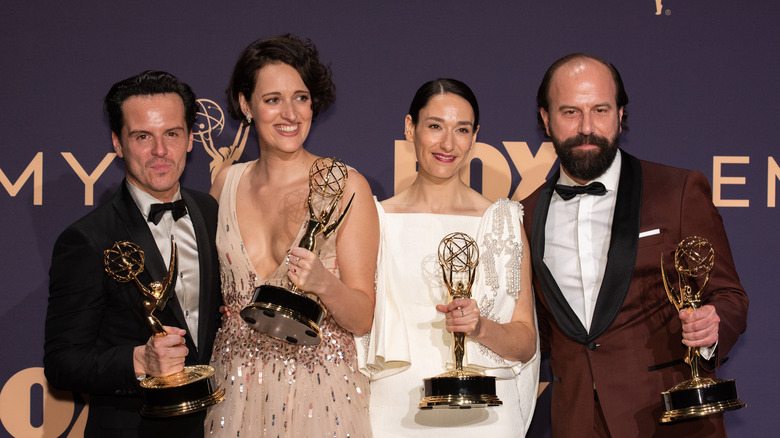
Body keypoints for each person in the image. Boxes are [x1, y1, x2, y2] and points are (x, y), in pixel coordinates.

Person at [522, 53, 749, 437]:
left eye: (600, 110)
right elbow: (535, 327)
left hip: (670, 418)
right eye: (570, 112)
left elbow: (729, 295)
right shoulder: (526, 213)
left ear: (621, 115)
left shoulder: (677, 192)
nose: (587, 127)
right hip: (575, 421)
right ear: (546, 119)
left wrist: (713, 326)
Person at [205, 34, 378, 437]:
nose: (290, 113)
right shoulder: (224, 183)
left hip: (322, 395)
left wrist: (323, 284)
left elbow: (362, 316)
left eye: (301, 97)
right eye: (272, 99)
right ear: (246, 105)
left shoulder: (346, 185)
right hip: (233, 388)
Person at [357, 79, 539, 437]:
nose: (447, 143)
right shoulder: (375, 221)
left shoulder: (502, 222)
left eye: (462, 130)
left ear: (475, 137)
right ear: (411, 128)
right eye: (435, 126)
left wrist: (481, 326)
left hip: (484, 416)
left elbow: (525, 342)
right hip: (394, 414)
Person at [44, 70, 222, 437]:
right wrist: (139, 359)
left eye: (171, 134)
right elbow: (62, 362)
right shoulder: (87, 238)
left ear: (190, 139)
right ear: (117, 143)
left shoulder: (211, 212)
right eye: (143, 136)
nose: (160, 151)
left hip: (217, 424)